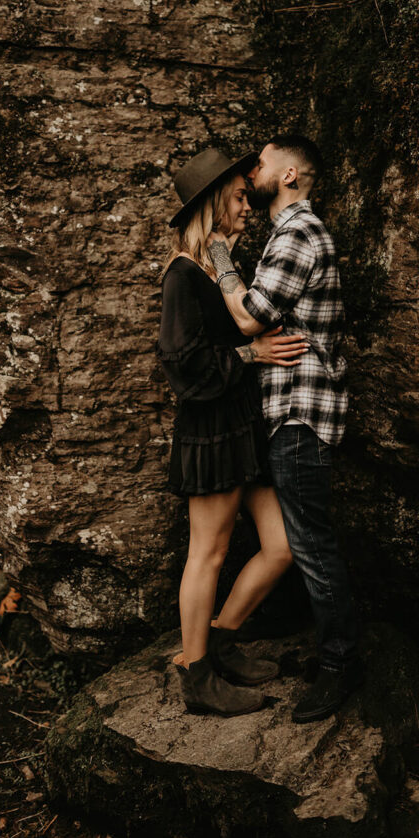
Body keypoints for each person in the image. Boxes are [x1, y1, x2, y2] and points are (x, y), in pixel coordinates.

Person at [206, 134, 363, 723]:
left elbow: (249, 317)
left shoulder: (298, 232)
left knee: (312, 549)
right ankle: (327, 653)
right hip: (290, 414)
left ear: (292, 173)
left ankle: (341, 666)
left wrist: (219, 256)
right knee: (304, 544)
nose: (254, 172)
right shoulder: (287, 234)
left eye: (264, 163)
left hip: (301, 413)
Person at [157, 147, 309, 718]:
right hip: (211, 430)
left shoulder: (216, 269)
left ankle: (220, 642)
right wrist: (253, 353)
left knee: (283, 546)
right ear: (217, 202)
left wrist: (250, 350)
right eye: (241, 197)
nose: (249, 205)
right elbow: (184, 367)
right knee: (209, 552)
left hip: (243, 427)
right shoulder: (181, 275)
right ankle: (197, 677)